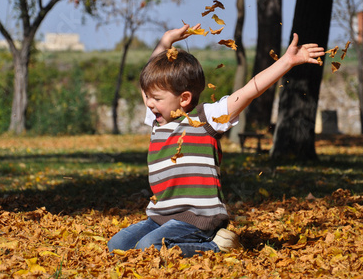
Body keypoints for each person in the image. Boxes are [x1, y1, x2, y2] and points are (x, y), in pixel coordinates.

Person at [107, 23, 325, 257]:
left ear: (184, 98)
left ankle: (216, 245)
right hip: (161, 217)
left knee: (148, 248)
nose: (148, 102)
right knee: (117, 245)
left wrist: (287, 62)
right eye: (147, 96)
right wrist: (165, 42)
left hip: (199, 219)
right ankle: (183, 242)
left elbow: (249, 91)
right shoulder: (158, 119)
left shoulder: (206, 118)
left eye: (155, 98)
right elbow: (147, 82)